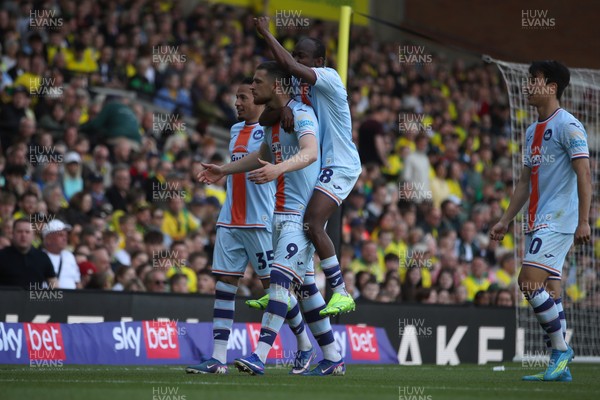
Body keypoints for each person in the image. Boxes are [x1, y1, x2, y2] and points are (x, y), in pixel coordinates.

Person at [198, 62, 344, 376]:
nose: (252, 87)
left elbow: (310, 152)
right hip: (278, 218)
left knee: (278, 286)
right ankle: (332, 355)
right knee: (303, 290)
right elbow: (260, 155)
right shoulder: (272, 123)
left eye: (257, 83)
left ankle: (259, 356)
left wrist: (278, 169)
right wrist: (224, 170)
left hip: (297, 218)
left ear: (275, 87)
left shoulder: (302, 114)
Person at [490, 61, 591, 382]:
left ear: (551, 87)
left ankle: (561, 349)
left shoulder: (569, 125)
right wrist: (505, 220)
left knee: (528, 282)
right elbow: (523, 183)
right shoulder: (532, 130)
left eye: (534, 80)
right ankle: (560, 366)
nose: (527, 86)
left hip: (559, 219)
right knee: (549, 287)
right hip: (538, 219)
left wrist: (585, 221)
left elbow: (584, 174)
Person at [254, 17, 362, 317]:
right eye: (295, 53)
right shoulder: (301, 89)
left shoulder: (329, 77)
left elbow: (288, 66)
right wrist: (285, 107)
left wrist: (266, 34)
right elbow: (264, 118)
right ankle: (283, 287)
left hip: (340, 163)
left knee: (312, 222)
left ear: (319, 61)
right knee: (305, 227)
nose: (296, 59)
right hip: (324, 165)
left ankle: (340, 292)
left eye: (302, 55)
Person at [0, 218, 57, 289]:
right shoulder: (1, 256)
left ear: (33, 235)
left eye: (27, 232)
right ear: (13, 234)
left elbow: (54, 285)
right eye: (19, 231)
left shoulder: (42, 257)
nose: (23, 235)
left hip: (34, 299)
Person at [42, 219, 81, 289]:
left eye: (65, 235)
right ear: (48, 239)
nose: (65, 238)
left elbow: (77, 282)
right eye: (60, 235)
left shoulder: (70, 256)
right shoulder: (38, 257)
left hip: (71, 299)